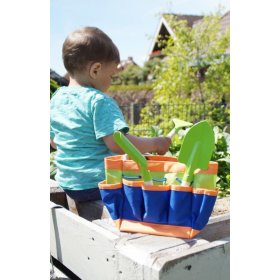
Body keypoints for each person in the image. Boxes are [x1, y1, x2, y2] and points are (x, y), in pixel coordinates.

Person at [50, 27, 171, 218]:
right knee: (146, 182)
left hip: (68, 182)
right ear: (96, 70)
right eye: (112, 76)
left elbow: (54, 142)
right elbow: (118, 143)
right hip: (96, 184)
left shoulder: (57, 98)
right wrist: (156, 143)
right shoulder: (98, 101)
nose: (112, 81)